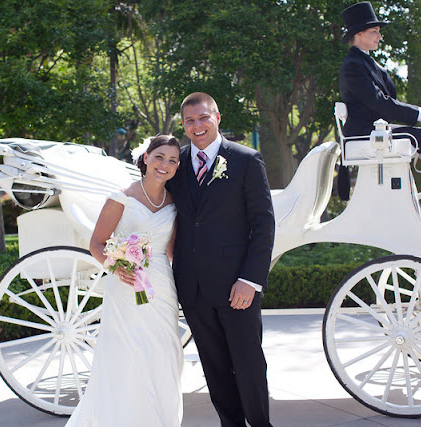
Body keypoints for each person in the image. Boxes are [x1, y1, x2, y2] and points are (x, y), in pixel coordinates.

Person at [167, 92, 275, 427]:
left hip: (237, 286)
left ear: (217, 118)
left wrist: (250, 279)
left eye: (203, 118)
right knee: (213, 366)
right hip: (193, 287)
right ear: (183, 126)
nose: (197, 126)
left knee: (248, 363)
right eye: (189, 121)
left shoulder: (245, 159)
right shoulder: (175, 164)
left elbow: (263, 223)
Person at [66, 135, 183, 427]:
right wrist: (116, 267)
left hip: (161, 287)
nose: (164, 164)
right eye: (159, 157)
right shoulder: (122, 197)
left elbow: (172, 250)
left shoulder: (175, 202)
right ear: (145, 158)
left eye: (172, 160)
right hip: (127, 284)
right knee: (127, 354)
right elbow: (97, 243)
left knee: (163, 352)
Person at [339, 1, 421, 223]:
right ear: (359, 34)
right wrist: (418, 114)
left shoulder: (367, 63)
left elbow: (387, 100)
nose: (379, 37)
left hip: (377, 130)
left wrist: (416, 114)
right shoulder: (353, 65)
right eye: (374, 32)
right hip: (366, 133)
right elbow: (379, 103)